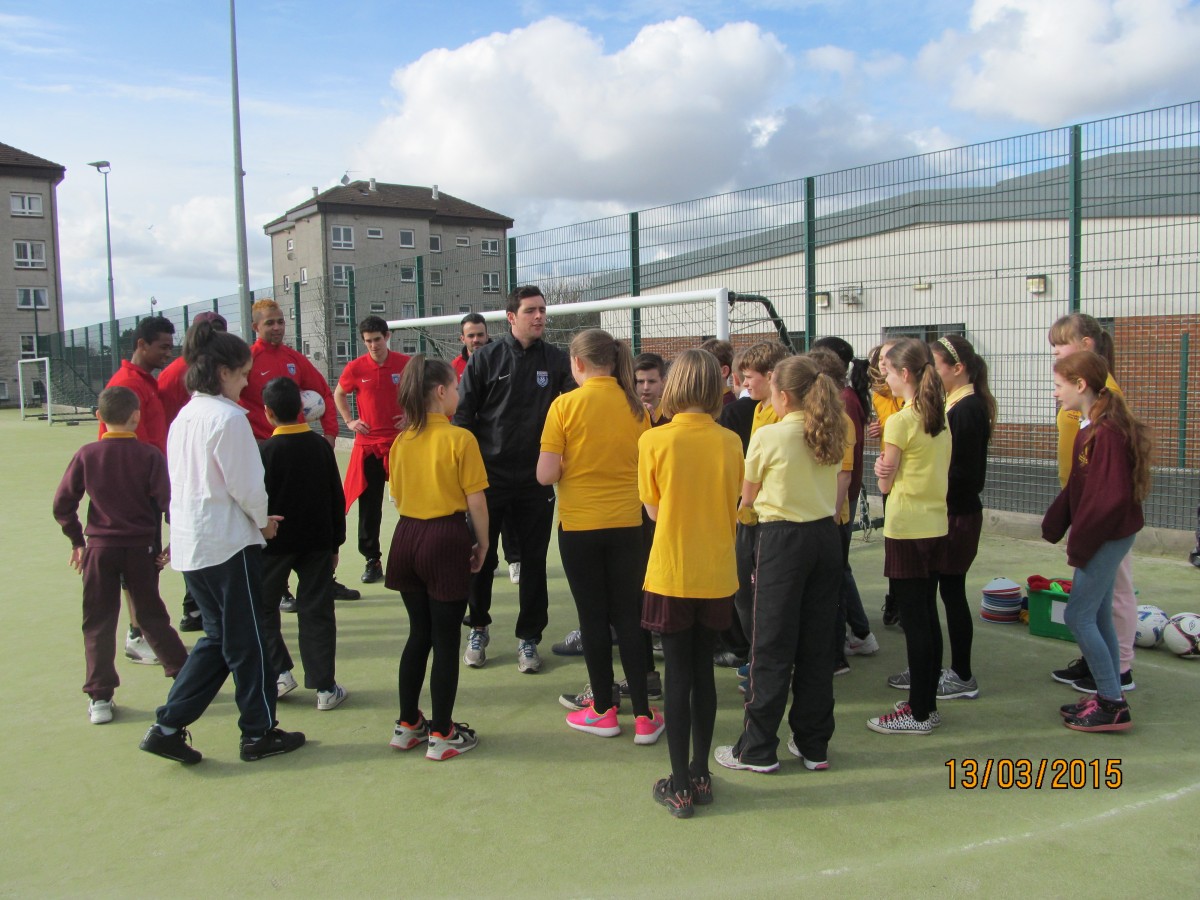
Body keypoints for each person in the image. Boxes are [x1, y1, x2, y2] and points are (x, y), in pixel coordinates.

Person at [139, 321, 304, 764]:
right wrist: (262, 523)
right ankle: (258, 733)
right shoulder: (229, 419)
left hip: (195, 544)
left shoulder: (185, 416)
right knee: (248, 642)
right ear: (224, 372)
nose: (248, 382)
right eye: (244, 374)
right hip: (227, 545)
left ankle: (167, 727)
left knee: (219, 639)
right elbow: (246, 485)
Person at [715, 354, 849, 774]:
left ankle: (756, 749)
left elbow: (748, 497)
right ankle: (813, 744)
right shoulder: (834, 428)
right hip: (824, 539)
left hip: (781, 541)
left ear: (784, 395)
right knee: (817, 646)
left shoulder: (769, 435)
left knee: (770, 645)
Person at [537, 329, 663, 745]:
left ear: (577, 363)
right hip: (628, 526)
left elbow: (545, 474)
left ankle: (603, 710)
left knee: (592, 619)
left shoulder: (563, 406)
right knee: (630, 617)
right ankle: (644, 716)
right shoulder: (638, 409)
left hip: (579, 528)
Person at [639, 350, 742, 818]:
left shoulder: (654, 440)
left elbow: (653, 510)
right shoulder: (730, 441)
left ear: (674, 385)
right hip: (717, 571)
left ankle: (678, 784)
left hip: (672, 571)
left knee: (677, 676)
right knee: (704, 672)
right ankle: (700, 774)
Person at [52, 386, 188, 725]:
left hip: (99, 549)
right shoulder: (150, 455)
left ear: (99, 417)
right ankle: (186, 679)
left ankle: (100, 698)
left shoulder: (87, 454)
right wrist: (176, 541)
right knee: (152, 616)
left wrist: (77, 541)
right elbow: (169, 504)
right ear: (136, 417)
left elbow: (62, 504)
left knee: (98, 621)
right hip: (141, 549)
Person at [454, 285, 572, 673]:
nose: (539, 316)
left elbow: (574, 411)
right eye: (530, 310)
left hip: (536, 480)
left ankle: (529, 638)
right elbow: (463, 417)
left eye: (542, 310)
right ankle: (478, 627)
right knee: (481, 556)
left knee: (533, 561)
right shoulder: (485, 359)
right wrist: (464, 472)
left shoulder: (557, 360)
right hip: (489, 479)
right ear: (511, 317)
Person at [385, 356, 489, 760]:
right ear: (442, 392)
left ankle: (408, 723)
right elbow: (476, 501)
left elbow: (397, 496)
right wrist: (482, 544)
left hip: (406, 537)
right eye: (456, 387)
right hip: (444, 538)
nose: (459, 393)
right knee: (446, 641)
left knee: (419, 634)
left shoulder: (402, 440)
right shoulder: (460, 439)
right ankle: (443, 732)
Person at [1043, 351, 1149, 732]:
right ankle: (1109, 694)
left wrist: (1081, 545)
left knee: (1078, 615)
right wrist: (1057, 522)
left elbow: (1110, 498)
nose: (1055, 393)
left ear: (1081, 384)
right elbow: (1079, 485)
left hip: (1108, 535)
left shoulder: (1105, 433)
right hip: (1106, 532)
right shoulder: (1092, 428)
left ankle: (1112, 703)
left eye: (1059, 385)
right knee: (1098, 614)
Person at [241, 299, 359, 603]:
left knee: (312, 510)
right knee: (272, 514)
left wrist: (330, 433)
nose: (277, 327)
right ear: (255, 327)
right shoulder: (248, 361)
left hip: (298, 445)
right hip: (263, 449)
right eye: (270, 323)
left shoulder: (294, 358)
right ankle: (279, 588)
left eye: (280, 321)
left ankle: (324, 577)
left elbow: (323, 392)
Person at [867, 338, 950, 735]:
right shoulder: (938, 416)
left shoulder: (901, 421)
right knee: (928, 616)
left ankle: (917, 713)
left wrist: (882, 470)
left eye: (888, 371)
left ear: (904, 374)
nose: (884, 377)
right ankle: (925, 703)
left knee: (916, 621)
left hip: (906, 528)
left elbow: (885, 483)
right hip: (935, 525)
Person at [260, 377, 349, 711]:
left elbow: (256, 499)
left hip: (273, 545)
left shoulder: (263, 451)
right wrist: (335, 544)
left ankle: (279, 671)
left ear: (267, 412)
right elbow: (336, 497)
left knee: (262, 608)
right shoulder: (320, 448)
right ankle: (325, 688)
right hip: (316, 543)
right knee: (317, 611)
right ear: (302, 409)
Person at [921, 334, 994, 701]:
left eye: (935, 366)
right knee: (937, 592)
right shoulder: (956, 403)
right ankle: (929, 667)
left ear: (958, 368)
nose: (930, 374)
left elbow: (964, 473)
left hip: (957, 515)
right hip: (950, 512)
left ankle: (961, 674)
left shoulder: (967, 409)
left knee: (950, 592)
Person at [99, 315, 175, 665]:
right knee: (138, 568)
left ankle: (141, 632)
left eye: (170, 347)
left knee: (146, 567)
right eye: (162, 347)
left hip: (145, 492)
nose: (167, 353)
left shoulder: (145, 382)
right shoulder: (128, 385)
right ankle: (136, 636)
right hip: (134, 495)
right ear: (141, 345)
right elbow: (126, 449)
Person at [718, 341, 791, 671]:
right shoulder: (760, 409)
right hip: (752, 513)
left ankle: (769, 660)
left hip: (770, 517)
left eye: (749, 377)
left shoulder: (783, 416)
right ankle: (758, 655)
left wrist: (746, 499)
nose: (744, 384)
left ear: (772, 376)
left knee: (764, 596)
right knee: (744, 592)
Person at [809, 344, 877, 676]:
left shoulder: (841, 412)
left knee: (833, 582)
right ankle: (854, 636)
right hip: (827, 512)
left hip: (832, 513)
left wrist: (833, 516)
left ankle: (838, 653)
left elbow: (844, 474)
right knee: (834, 578)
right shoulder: (834, 410)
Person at [159, 310, 227, 632]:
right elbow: (163, 424)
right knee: (194, 536)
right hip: (186, 470)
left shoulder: (220, 372)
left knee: (210, 536)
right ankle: (194, 608)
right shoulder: (175, 374)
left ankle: (208, 607)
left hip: (209, 466)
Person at [334, 316, 410, 585]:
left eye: (377, 339)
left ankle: (412, 556)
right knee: (369, 507)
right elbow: (339, 394)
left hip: (402, 444)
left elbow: (420, 392)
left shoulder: (405, 363)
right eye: (368, 341)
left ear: (387, 337)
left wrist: (411, 415)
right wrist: (349, 421)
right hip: (368, 447)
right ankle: (372, 560)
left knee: (411, 501)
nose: (373, 345)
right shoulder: (355, 368)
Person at [454, 314, 522, 584]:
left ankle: (514, 559)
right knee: (479, 514)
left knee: (510, 515)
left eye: (480, 334)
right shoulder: (454, 368)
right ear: (462, 338)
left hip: (503, 453)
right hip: (476, 455)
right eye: (471, 335)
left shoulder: (501, 358)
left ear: (487, 334)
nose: (476, 340)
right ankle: (487, 560)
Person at [867, 341, 902, 627]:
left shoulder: (908, 395)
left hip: (905, 473)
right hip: (889, 468)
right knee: (893, 544)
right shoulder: (878, 394)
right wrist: (876, 429)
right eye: (880, 358)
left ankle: (902, 602)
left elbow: (902, 425)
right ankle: (895, 599)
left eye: (887, 358)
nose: (882, 362)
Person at [699, 338, 736, 405]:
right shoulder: (705, 401)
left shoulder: (728, 405)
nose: (699, 373)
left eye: (705, 368)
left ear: (724, 371)